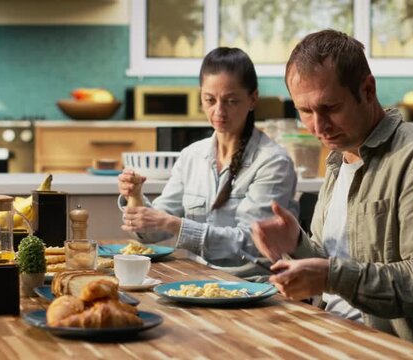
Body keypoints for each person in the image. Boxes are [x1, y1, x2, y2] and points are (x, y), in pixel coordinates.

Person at [251, 29, 413, 359]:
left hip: (393, 350)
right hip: (330, 334)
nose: (318, 127)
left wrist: (332, 277)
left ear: (367, 89)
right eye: (304, 111)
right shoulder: (341, 158)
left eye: (330, 107)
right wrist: (296, 244)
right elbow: (341, 259)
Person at [118, 47, 298, 278]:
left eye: (231, 101)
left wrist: (176, 226)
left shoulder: (273, 162)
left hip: (255, 288)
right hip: (197, 283)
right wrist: (135, 195)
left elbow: (251, 244)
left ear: (253, 98)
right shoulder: (191, 156)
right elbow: (153, 233)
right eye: (210, 100)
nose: (219, 111)